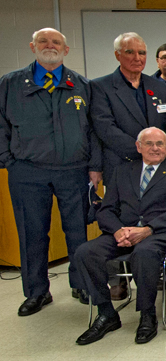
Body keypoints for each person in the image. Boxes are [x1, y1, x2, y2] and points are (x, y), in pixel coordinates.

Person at [0, 28, 102, 316]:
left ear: (66, 50)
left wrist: (94, 166)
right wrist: (8, 161)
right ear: (32, 46)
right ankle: (36, 292)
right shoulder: (10, 84)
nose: (50, 46)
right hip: (27, 171)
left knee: (77, 232)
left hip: (74, 170)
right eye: (43, 41)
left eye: (56, 42)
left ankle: (81, 284)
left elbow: (94, 129)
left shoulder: (81, 85)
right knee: (32, 233)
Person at [72, 127, 166, 345]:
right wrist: (118, 230)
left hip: (159, 232)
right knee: (85, 252)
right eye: (149, 143)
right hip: (122, 231)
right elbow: (107, 209)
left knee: (144, 253)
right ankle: (106, 312)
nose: (155, 148)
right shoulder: (122, 171)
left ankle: (147, 315)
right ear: (138, 147)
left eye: (160, 144)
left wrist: (146, 230)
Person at [91, 32, 166, 186]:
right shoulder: (101, 87)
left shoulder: (158, 86)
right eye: (130, 52)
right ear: (117, 55)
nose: (137, 58)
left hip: (159, 164)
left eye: (142, 53)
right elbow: (105, 128)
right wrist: (144, 151)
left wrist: (158, 151)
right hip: (122, 164)